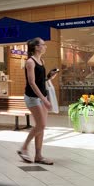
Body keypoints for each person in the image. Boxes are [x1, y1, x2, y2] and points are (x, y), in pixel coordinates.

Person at [17, 37, 56, 165]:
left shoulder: (41, 61)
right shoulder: (30, 62)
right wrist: (44, 100)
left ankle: (38, 155)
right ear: (36, 47)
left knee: (41, 127)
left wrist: (49, 77)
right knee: (41, 125)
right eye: (43, 45)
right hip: (33, 97)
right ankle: (24, 148)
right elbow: (32, 83)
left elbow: (40, 81)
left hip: (41, 96)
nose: (45, 47)